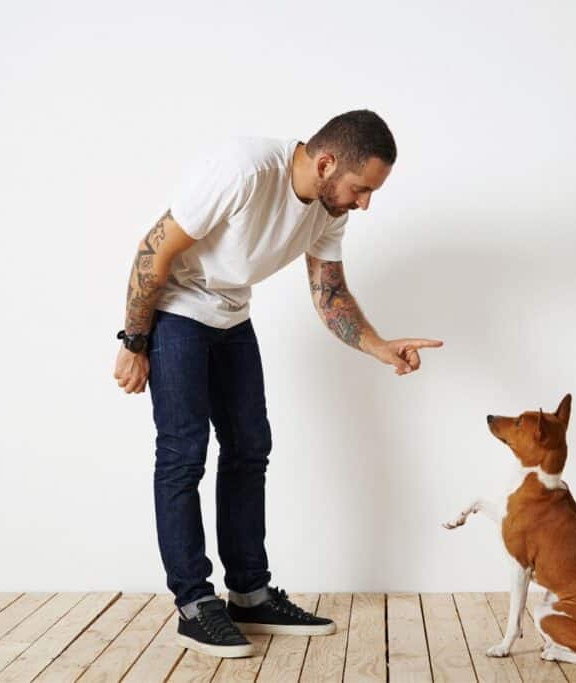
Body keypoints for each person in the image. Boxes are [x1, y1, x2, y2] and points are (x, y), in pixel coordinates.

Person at [114, 110, 443, 658]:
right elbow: (154, 249)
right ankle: (195, 603)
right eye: (361, 189)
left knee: (249, 448)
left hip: (231, 318)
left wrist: (379, 345)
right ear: (326, 162)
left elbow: (330, 295)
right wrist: (135, 341)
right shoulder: (243, 170)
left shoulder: (328, 207)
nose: (364, 204)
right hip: (174, 312)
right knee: (182, 454)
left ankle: (249, 592)